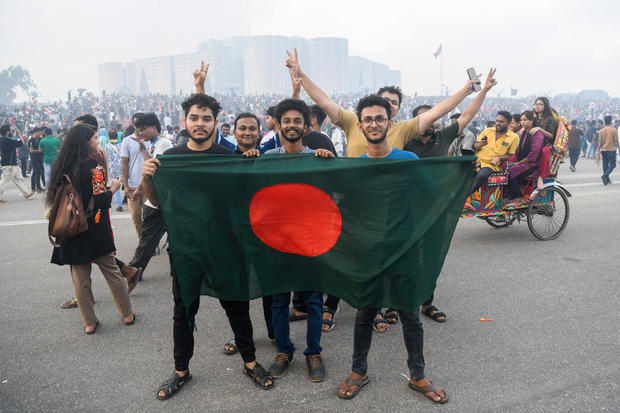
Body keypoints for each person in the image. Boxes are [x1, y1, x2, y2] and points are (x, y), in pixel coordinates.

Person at [143, 88, 274, 400]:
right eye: (194, 118)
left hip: (225, 248)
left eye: (206, 118)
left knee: (237, 306)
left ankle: (250, 361)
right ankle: (180, 370)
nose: (199, 123)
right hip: (187, 250)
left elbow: (250, 199)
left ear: (216, 123)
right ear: (185, 121)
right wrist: (148, 177)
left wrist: (251, 165)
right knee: (184, 310)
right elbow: (157, 202)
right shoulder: (169, 160)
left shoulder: (228, 159)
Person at [337, 95, 447, 404]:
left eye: (379, 118)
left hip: (404, 251)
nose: (374, 123)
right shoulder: (354, 167)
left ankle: (418, 375)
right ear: (360, 125)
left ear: (390, 122)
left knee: (410, 315)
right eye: (368, 119)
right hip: (370, 252)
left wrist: (463, 172)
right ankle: (358, 371)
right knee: (365, 313)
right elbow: (339, 203)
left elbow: (432, 193)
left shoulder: (408, 161)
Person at [243, 98, 334, 383]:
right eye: (287, 121)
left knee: (314, 301)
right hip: (277, 242)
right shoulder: (267, 158)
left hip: (310, 241)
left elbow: (335, 193)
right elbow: (248, 189)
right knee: (279, 302)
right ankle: (284, 350)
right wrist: (249, 160)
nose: (292, 125)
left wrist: (327, 163)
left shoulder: (318, 157)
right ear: (278, 125)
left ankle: (314, 352)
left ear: (306, 126)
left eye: (298, 121)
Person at [403, 68, 497, 326]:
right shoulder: (402, 143)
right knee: (403, 256)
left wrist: (484, 91)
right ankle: (396, 304)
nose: (431, 122)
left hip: (436, 208)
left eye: (434, 117)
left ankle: (427, 303)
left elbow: (467, 115)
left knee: (431, 256)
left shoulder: (444, 135)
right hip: (407, 207)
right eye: (425, 118)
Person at [285, 48, 481, 158]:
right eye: (385, 100)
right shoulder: (351, 119)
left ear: (394, 114)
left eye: (394, 102)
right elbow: (323, 100)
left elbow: (436, 112)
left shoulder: (404, 129)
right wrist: (301, 75)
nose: (373, 124)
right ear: (361, 123)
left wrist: (465, 91)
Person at [46, 124, 136, 334]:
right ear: (86, 141)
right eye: (95, 138)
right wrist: (113, 187)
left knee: (80, 276)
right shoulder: (93, 166)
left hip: (71, 228)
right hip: (94, 226)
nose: (98, 141)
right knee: (112, 272)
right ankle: (127, 314)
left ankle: (89, 322)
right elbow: (102, 199)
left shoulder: (62, 166)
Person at [126, 112, 172, 278]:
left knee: (148, 239)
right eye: (138, 131)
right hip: (156, 197)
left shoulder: (164, 143)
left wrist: (143, 148)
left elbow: (151, 167)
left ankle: (133, 270)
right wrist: (140, 188)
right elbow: (148, 171)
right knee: (149, 238)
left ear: (154, 127)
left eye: (143, 129)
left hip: (159, 199)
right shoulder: (156, 143)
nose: (141, 134)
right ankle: (134, 270)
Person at [469, 111, 520, 195]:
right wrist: (480, 144)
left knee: (481, 175)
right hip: (476, 161)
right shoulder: (487, 131)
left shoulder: (514, 137)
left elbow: (510, 155)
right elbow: (475, 146)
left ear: (509, 123)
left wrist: (499, 158)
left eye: (501, 121)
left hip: (491, 166)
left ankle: (464, 196)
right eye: (497, 121)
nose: (498, 123)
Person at [505, 111, 545, 206]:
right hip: (523, 162)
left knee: (510, 171)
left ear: (531, 121)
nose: (522, 122)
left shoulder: (537, 134)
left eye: (525, 120)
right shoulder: (523, 133)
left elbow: (533, 156)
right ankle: (510, 195)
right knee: (503, 168)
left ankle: (518, 198)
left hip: (532, 164)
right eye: (521, 120)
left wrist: (517, 163)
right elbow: (518, 148)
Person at [121, 113, 149, 237]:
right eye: (137, 124)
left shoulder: (151, 141)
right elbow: (124, 164)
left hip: (149, 186)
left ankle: (150, 241)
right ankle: (143, 239)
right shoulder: (127, 141)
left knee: (149, 216)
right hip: (132, 186)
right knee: (136, 216)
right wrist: (125, 186)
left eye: (142, 124)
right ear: (133, 125)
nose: (140, 127)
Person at [0, 124, 36, 203]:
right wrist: (19, 134)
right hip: (9, 165)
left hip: (11, 164)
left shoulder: (3, 139)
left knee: (18, 179)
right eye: (10, 130)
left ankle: (26, 193)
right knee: (4, 181)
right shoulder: (8, 140)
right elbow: (21, 143)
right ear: (7, 131)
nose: (12, 131)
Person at [531, 97, 558, 189]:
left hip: (547, 144)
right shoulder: (534, 118)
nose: (537, 106)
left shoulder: (550, 119)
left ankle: (541, 177)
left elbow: (551, 136)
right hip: (535, 143)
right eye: (536, 104)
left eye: (540, 104)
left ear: (545, 106)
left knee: (544, 151)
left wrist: (540, 129)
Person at [105, 130, 124, 211]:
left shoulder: (107, 146)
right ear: (117, 136)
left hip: (112, 169)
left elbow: (106, 158)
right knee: (125, 182)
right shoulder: (122, 144)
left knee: (115, 185)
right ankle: (128, 199)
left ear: (109, 137)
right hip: (122, 167)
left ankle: (119, 205)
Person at [598, 115, 619, 185]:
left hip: (603, 149)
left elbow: (600, 141)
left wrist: (598, 149)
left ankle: (607, 179)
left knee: (605, 164)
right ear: (610, 121)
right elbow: (616, 140)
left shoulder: (601, 130)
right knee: (613, 164)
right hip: (611, 149)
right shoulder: (613, 129)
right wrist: (619, 148)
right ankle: (605, 175)